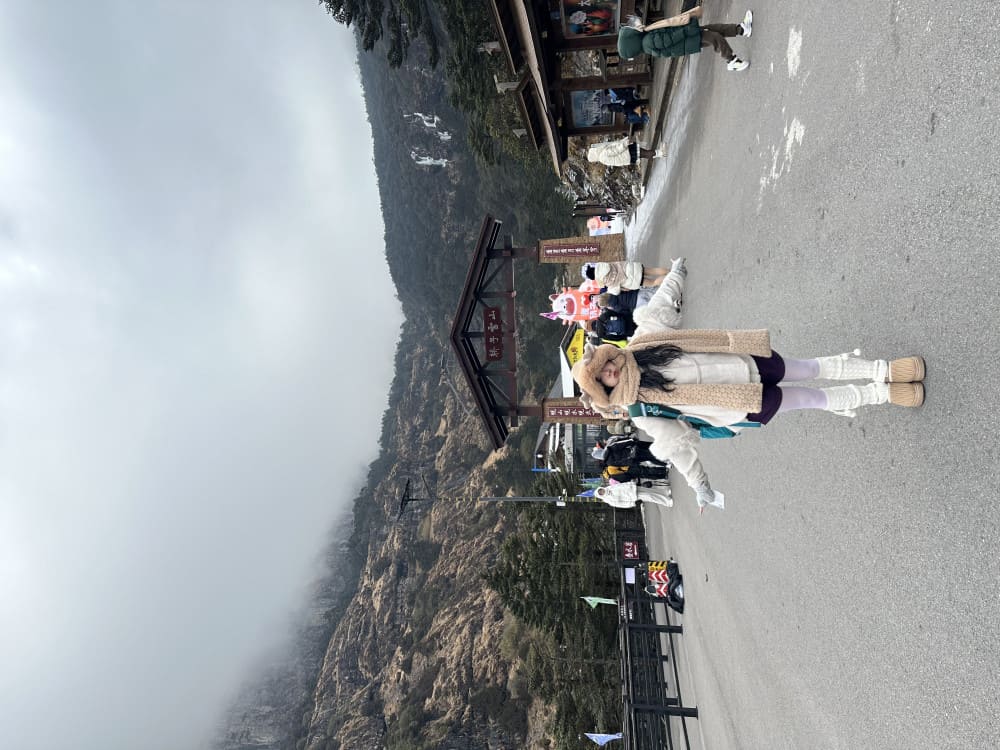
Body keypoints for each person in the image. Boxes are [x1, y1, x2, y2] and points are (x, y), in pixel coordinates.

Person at [572, 258, 925, 512]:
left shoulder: (641, 343)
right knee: (811, 398)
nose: (610, 373)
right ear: (606, 392)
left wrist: (675, 275)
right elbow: (677, 449)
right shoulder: (640, 409)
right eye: (604, 380)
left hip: (743, 359)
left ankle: (883, 369)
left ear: (606, 357)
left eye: (604, 367)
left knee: (809, 367)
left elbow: (661, 307)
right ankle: (881, 393)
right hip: (741, 405)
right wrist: (700, 486)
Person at [617, 6, 754, 72]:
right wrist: (686, 30)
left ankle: (741, 29)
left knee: (715, 29)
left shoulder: (646, 38)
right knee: (715, 38)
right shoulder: (648, 41)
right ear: (632, 41)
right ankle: (732, 61)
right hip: (688, 38)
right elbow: (671, 38)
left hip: (688, 36)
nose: (635, 26)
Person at [582, 261, 670, 293]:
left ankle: (671, 278)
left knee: (653, 283)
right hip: (630, 268)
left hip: (631, 281)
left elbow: (617, 291)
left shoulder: (607, 283)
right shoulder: (603, 265)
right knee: (653, 270)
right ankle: (671, 271)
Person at [587, 136, 665, 168]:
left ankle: (659, 154)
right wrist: (624, 144)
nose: (596, 148)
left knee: (644, 154)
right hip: (627, 153)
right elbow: (616, 150)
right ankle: (661, 153)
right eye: (594, 150)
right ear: (595, 153)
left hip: (627, 158)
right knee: (644, 153)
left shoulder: (602, 159)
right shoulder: (603, 154)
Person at [595, 480, 673, 508]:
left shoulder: (609, 487)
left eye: (600, 490)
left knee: (650, 491)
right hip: (633, 497)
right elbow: (621, 504)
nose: (602, 491)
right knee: (650, 497)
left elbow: (621, 485)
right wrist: (633, 503)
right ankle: (667, 502)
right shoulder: (609, 500)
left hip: (632, 488)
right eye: (600, 493)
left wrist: (631, 483)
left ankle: (665, 493)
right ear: (601, 496)